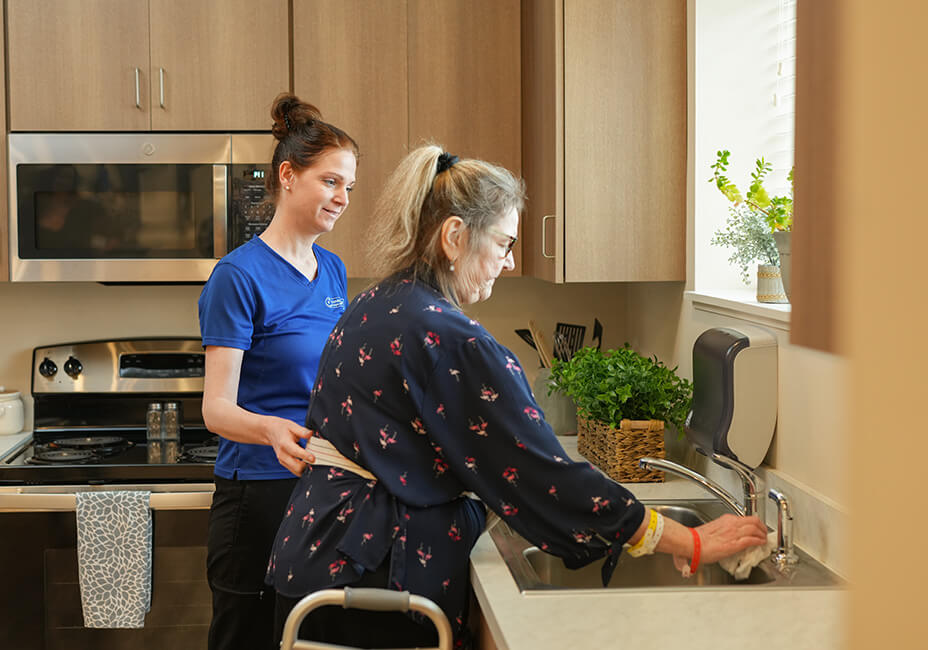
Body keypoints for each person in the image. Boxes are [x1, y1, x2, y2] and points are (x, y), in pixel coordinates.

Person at [265, 144, 769, 648]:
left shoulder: (377, 301)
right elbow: (540, 472)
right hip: (374, 577)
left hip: (318, 558)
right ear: (455, 237)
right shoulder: (451, 338)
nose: (508, 263)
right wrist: (687, 539)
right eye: (504, 244)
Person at [197, 93, 358, 650]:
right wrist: (269, 429)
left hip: (320, 487)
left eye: (349, 188)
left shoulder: (334, 270)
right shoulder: (238, 277)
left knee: (308, 637)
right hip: (256, 494)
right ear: (288, 175)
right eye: (331, 182)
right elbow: (215, 409)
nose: (342, 198)